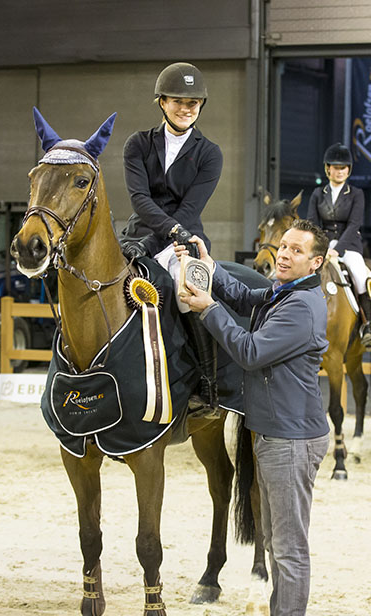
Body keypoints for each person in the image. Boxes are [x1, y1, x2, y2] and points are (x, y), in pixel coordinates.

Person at [176, 218, 331, 616]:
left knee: (288, 549)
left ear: (315, 262)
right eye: (283, 246)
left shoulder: (301, 307)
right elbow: (246, 297)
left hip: (290, 438)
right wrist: (211, 267)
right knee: (278, 543)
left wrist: (208, 308)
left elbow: (247, 351)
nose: (284, 254)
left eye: (297, 250)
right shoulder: (284, 291)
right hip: (274, 432)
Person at [122, 61, 224, 414]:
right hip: (138, 232)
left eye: (192, 102)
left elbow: (189, 210)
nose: (185, 108)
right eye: (178, 101)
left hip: (184, 238)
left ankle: (206, 385)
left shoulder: (209, 153)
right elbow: (140, 199)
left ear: (201, 106)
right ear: (162, 102)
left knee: (189, 291)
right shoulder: (138, 144)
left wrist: (154, 244)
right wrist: (144, 241)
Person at [306, 143, 371, 347]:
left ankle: (368, 325)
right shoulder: (318, 193)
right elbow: (312, 223)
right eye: (335, 167)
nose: (339, 171)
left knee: (359, 276)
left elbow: (354, 224)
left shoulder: (356, 193)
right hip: (323, 243)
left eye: (343, 168)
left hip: (349, 244)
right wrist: (322, 247)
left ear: (348, 170)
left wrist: (337, 250)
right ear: (328, 168)